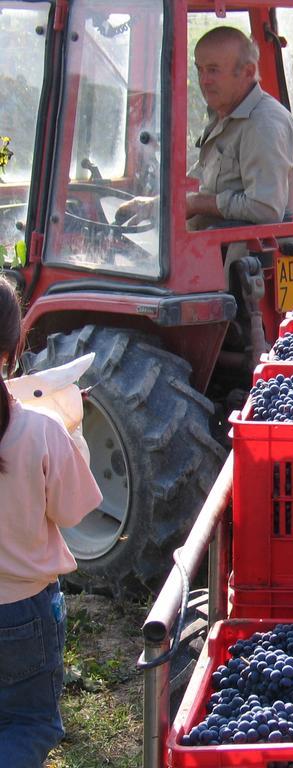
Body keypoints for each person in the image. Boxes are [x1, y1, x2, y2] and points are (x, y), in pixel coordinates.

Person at [0, 276, 102, 767]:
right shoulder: (38, 430)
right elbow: (74, 511)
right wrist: (72, 431)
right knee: (28, 724)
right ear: (15, 345)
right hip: (21, 612)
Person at [116, 26, 293, 230]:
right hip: (209, 251)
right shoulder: (225, 116)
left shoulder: (263, 125)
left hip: (243, 257)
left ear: (248, 71)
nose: (204, 81)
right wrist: (155, 206)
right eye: (200, 69)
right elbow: (204, 184)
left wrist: (198, 203)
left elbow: (266, 210)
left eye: (213, 70)